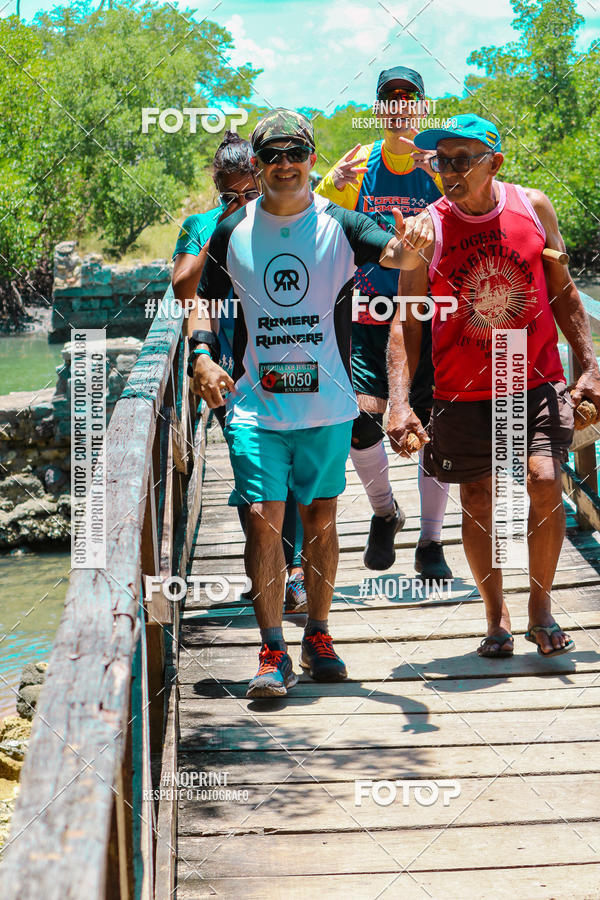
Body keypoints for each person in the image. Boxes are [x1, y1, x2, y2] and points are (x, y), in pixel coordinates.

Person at [187, 108, 432, 697]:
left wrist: (414, 236)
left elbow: (401, 258)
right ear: (258, 163)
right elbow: (202, 298)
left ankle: (318, 635)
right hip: (255, 406)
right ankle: (271, 649)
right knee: (262, 521)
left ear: (311, 159)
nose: (284, 165)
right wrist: (201, 356)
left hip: (326, 405)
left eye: (295, 153)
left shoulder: (341, 224)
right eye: (271, 155)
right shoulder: (233, 229)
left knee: (321, 520)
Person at [387, 113, 600, 658]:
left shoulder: (533, 206)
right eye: (440, 161)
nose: (449, 171)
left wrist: (590, 364)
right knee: (479, 499)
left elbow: (566, 293)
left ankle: (541, 607)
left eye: (462, 159)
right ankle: (496, 617)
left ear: (494, 163)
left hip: (535, 379)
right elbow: (407, 321)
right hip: (462, 391)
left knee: (546, 478)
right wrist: (399, 402)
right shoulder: (424, 228)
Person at [315, 66, 452, 580]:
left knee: (432, 429)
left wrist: (445, 176)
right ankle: (384, 512)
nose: (398, 108)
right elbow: (318, 224)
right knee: (359, 423)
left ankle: (432, 540)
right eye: (388, 100)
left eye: (408, 99)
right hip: (368, 314)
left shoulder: (441, 163)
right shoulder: (357, 164)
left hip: (428, 316)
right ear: (378, 109)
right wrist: (331, 184)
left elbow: (476, 211)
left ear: (421, 106)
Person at [171, 132, 308, 613]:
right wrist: (225, 225)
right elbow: (183, 287)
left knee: (294, 474)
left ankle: (292, 570)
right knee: (257, 479)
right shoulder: (202, 225)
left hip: (291, 363)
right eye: (231, 194)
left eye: (251, 192)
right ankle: (274, 574)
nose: (244, 201)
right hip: (232, 372)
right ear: (218, 190)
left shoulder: (281, 218)